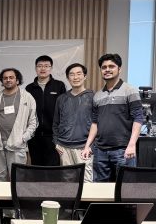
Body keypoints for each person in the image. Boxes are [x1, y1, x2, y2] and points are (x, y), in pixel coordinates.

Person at [82, 53, 144, 182]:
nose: (107, 69)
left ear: (119, 69)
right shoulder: (98, 95)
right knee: (100, 189)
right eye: (104, 67)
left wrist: (132, 145)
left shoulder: (130, 90)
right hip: (100, 151)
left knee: (125, 188)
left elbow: (138, 118)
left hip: (123, 150)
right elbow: (95, 123)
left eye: (111, 66)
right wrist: (87, 146)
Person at [0, 68, 37, 181]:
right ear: (2, 81)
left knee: (18, 178)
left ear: (17, 80)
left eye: (11, 77)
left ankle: (15, 196)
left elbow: (33, 122)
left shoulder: (27, 97)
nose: (8, 80)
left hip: (17, 145)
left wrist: (23, 139)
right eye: (5, 78)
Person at [52, 63, 94, 182]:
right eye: (72, 74)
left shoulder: (93, 97)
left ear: (85, 76)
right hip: (64, 148)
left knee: (87, 183)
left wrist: (91, 146)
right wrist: (56, 143)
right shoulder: (61, 98)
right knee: (68, 183)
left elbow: (98, 124)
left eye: (79, 74)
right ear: (67, 78)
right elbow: (56, 123)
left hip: (84, 148)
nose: (75, 77)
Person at [25, 54, 66, 166]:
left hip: (53, 136)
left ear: (51, 68)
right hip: (34, 136)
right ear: (35, 68)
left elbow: (63, 110)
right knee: (36, 166)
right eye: (40, 66)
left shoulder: (59, 86)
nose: (43, 68)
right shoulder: (29, 88)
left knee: (53, 167)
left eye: (46, 66)